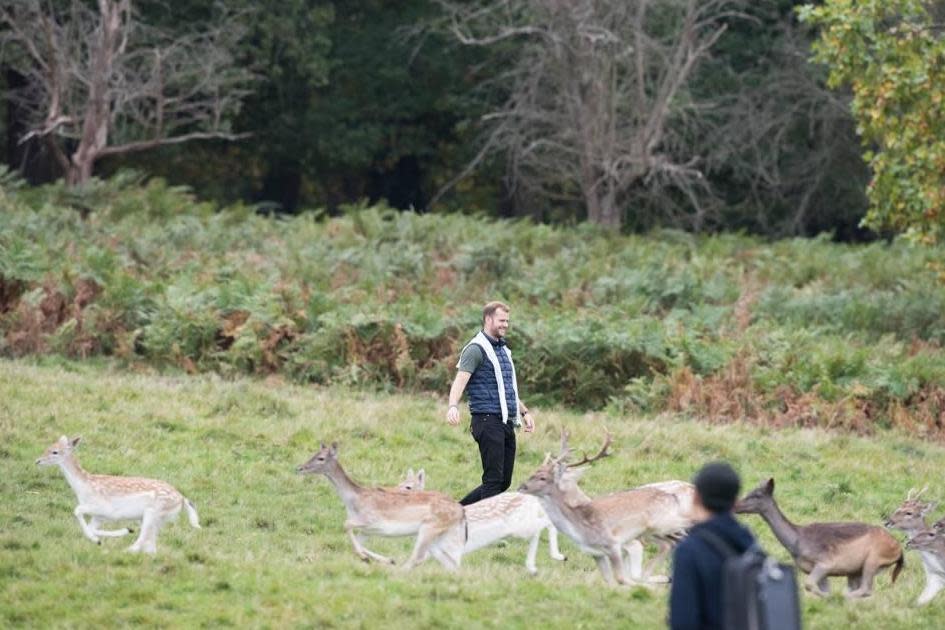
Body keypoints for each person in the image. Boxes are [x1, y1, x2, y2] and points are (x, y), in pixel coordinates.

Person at [446, 301, 534, 505]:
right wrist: (452, 406)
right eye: (501, 320)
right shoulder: (476, 349)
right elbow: (460, 380)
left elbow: (507, 389)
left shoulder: (503, 350)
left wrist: (524, 412)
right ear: (488, 319)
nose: (505, 325)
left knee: (503, 482)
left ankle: (459, 511)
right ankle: (481, 527)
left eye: (507, 321)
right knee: (493, 481)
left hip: (505, 422)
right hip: (486, 421)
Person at [669, 461, 756, 630]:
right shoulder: (751, 544)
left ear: (696, 497)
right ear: (736, 502)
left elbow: (683, 622)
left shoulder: (689, 550)